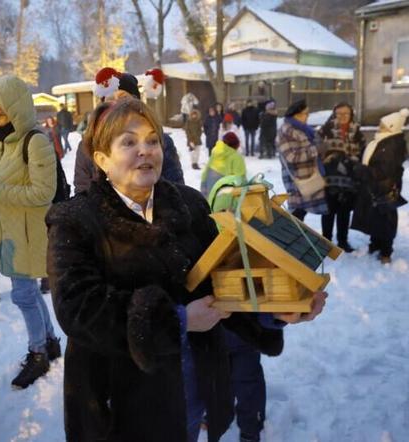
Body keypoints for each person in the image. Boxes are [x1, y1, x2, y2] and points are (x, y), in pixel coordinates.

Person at [46, 98, 327, 442]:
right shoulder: (75, 220)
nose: (145, 151)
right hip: (121, 410)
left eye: (152, 140)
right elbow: (78, 309)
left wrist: (280, 309)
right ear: (101, 158)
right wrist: (177, 320)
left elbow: (222, 285)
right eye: (129, 142)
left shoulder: (190, 205)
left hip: (191, 395)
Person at [0, 75, 61, 389]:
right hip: (6, 229)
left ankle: (38, 352)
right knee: (26, 291)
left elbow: (44, 192)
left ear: (15, 111)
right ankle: (51, 340)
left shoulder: (35, 141)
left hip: (29, 233)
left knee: (24, 295)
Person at [73, 67, 184, 194]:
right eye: (110, 99)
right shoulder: (88, 145)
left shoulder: (161, 141)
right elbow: (83, 191)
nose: (117, 105)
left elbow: (176, 191)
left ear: (136, 102)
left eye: (123, 99)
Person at [353, 108, 409, 264]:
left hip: (384, 188)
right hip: (376, 187)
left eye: (383, 124)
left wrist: (362, 170)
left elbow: (385, 169)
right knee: (375, 217)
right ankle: (375, 245)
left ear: (391, 126)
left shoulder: (392, 144)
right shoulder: (383, 140)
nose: (379, 125)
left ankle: (385, 252)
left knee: (385, 220)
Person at [317, 103, 365, 253]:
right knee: (329, 211)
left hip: (349, 178)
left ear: (351, 115)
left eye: (346, 114)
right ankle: (326, 241)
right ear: (334, 114)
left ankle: (342, 241)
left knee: (344, 212)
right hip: (329, 178)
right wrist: (326, 157)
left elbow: (363, 152)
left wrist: (353, 162)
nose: (343, 117)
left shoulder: (357, 131)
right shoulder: (325, 130)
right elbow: (316, 149)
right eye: (339, 113)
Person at [277, 99, 328, 221]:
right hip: (297, 179)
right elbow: (291, 157)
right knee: (296, 215)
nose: (307, 116)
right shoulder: (286, 131)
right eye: (305, 113)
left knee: (300, 212)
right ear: (297, 114)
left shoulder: (303, 129)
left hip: (308, 176)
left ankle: (296, 237)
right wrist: (316, 150)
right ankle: (290, 237)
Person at [200, 132, 246, 197]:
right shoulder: (236, 157)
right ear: (236, 145)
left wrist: (203, 185)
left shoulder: (216, 152)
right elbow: (241, 179)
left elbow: (206, 170)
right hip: (226, 194)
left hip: (209, 188)